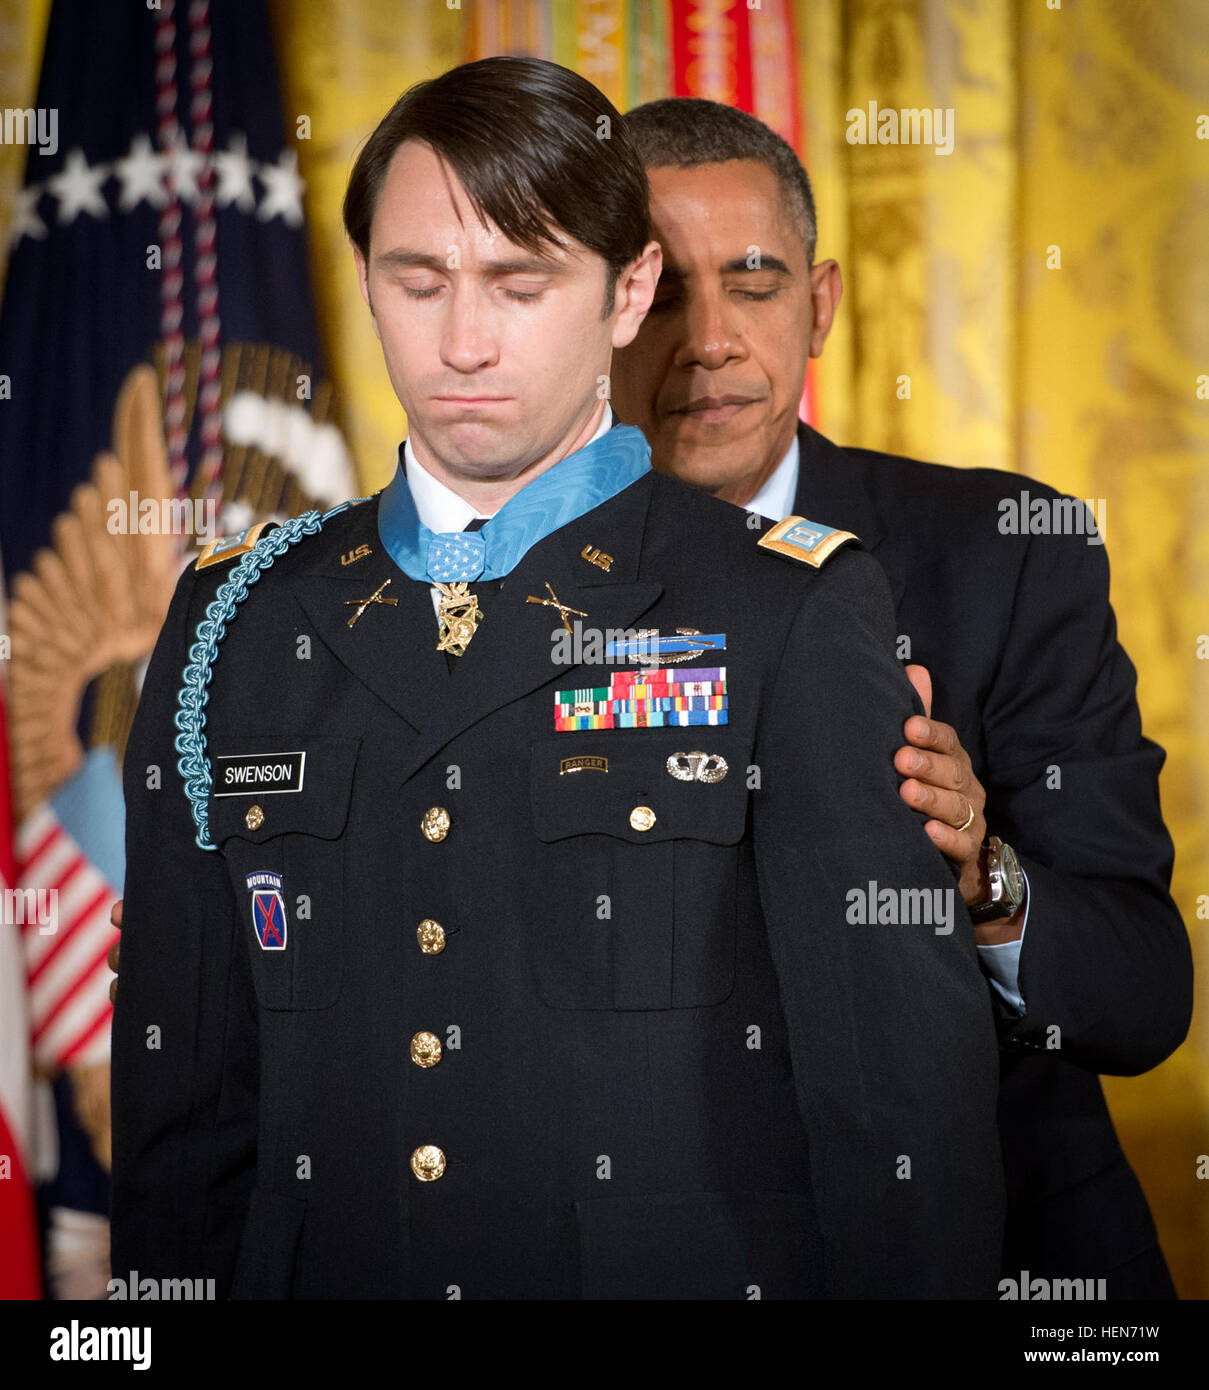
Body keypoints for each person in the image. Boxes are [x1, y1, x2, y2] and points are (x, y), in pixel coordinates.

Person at [109, 57, 1004, 1299]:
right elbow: (183, 1119)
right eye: (418, 282)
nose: (463, 342)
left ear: (629, 292)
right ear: (364, 283)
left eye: (520, 285)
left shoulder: (784, 608)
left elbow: (903, 1120)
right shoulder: (236, 620)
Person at [612, 97, 1193, 1298]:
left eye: (755, 281)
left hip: (1014, 1258)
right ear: (598, 312)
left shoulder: (1007, 550)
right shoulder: (507, 588)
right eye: (662, 291)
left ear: (820, 305)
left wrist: (984, 874)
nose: (709, 338)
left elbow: (1144, 996)